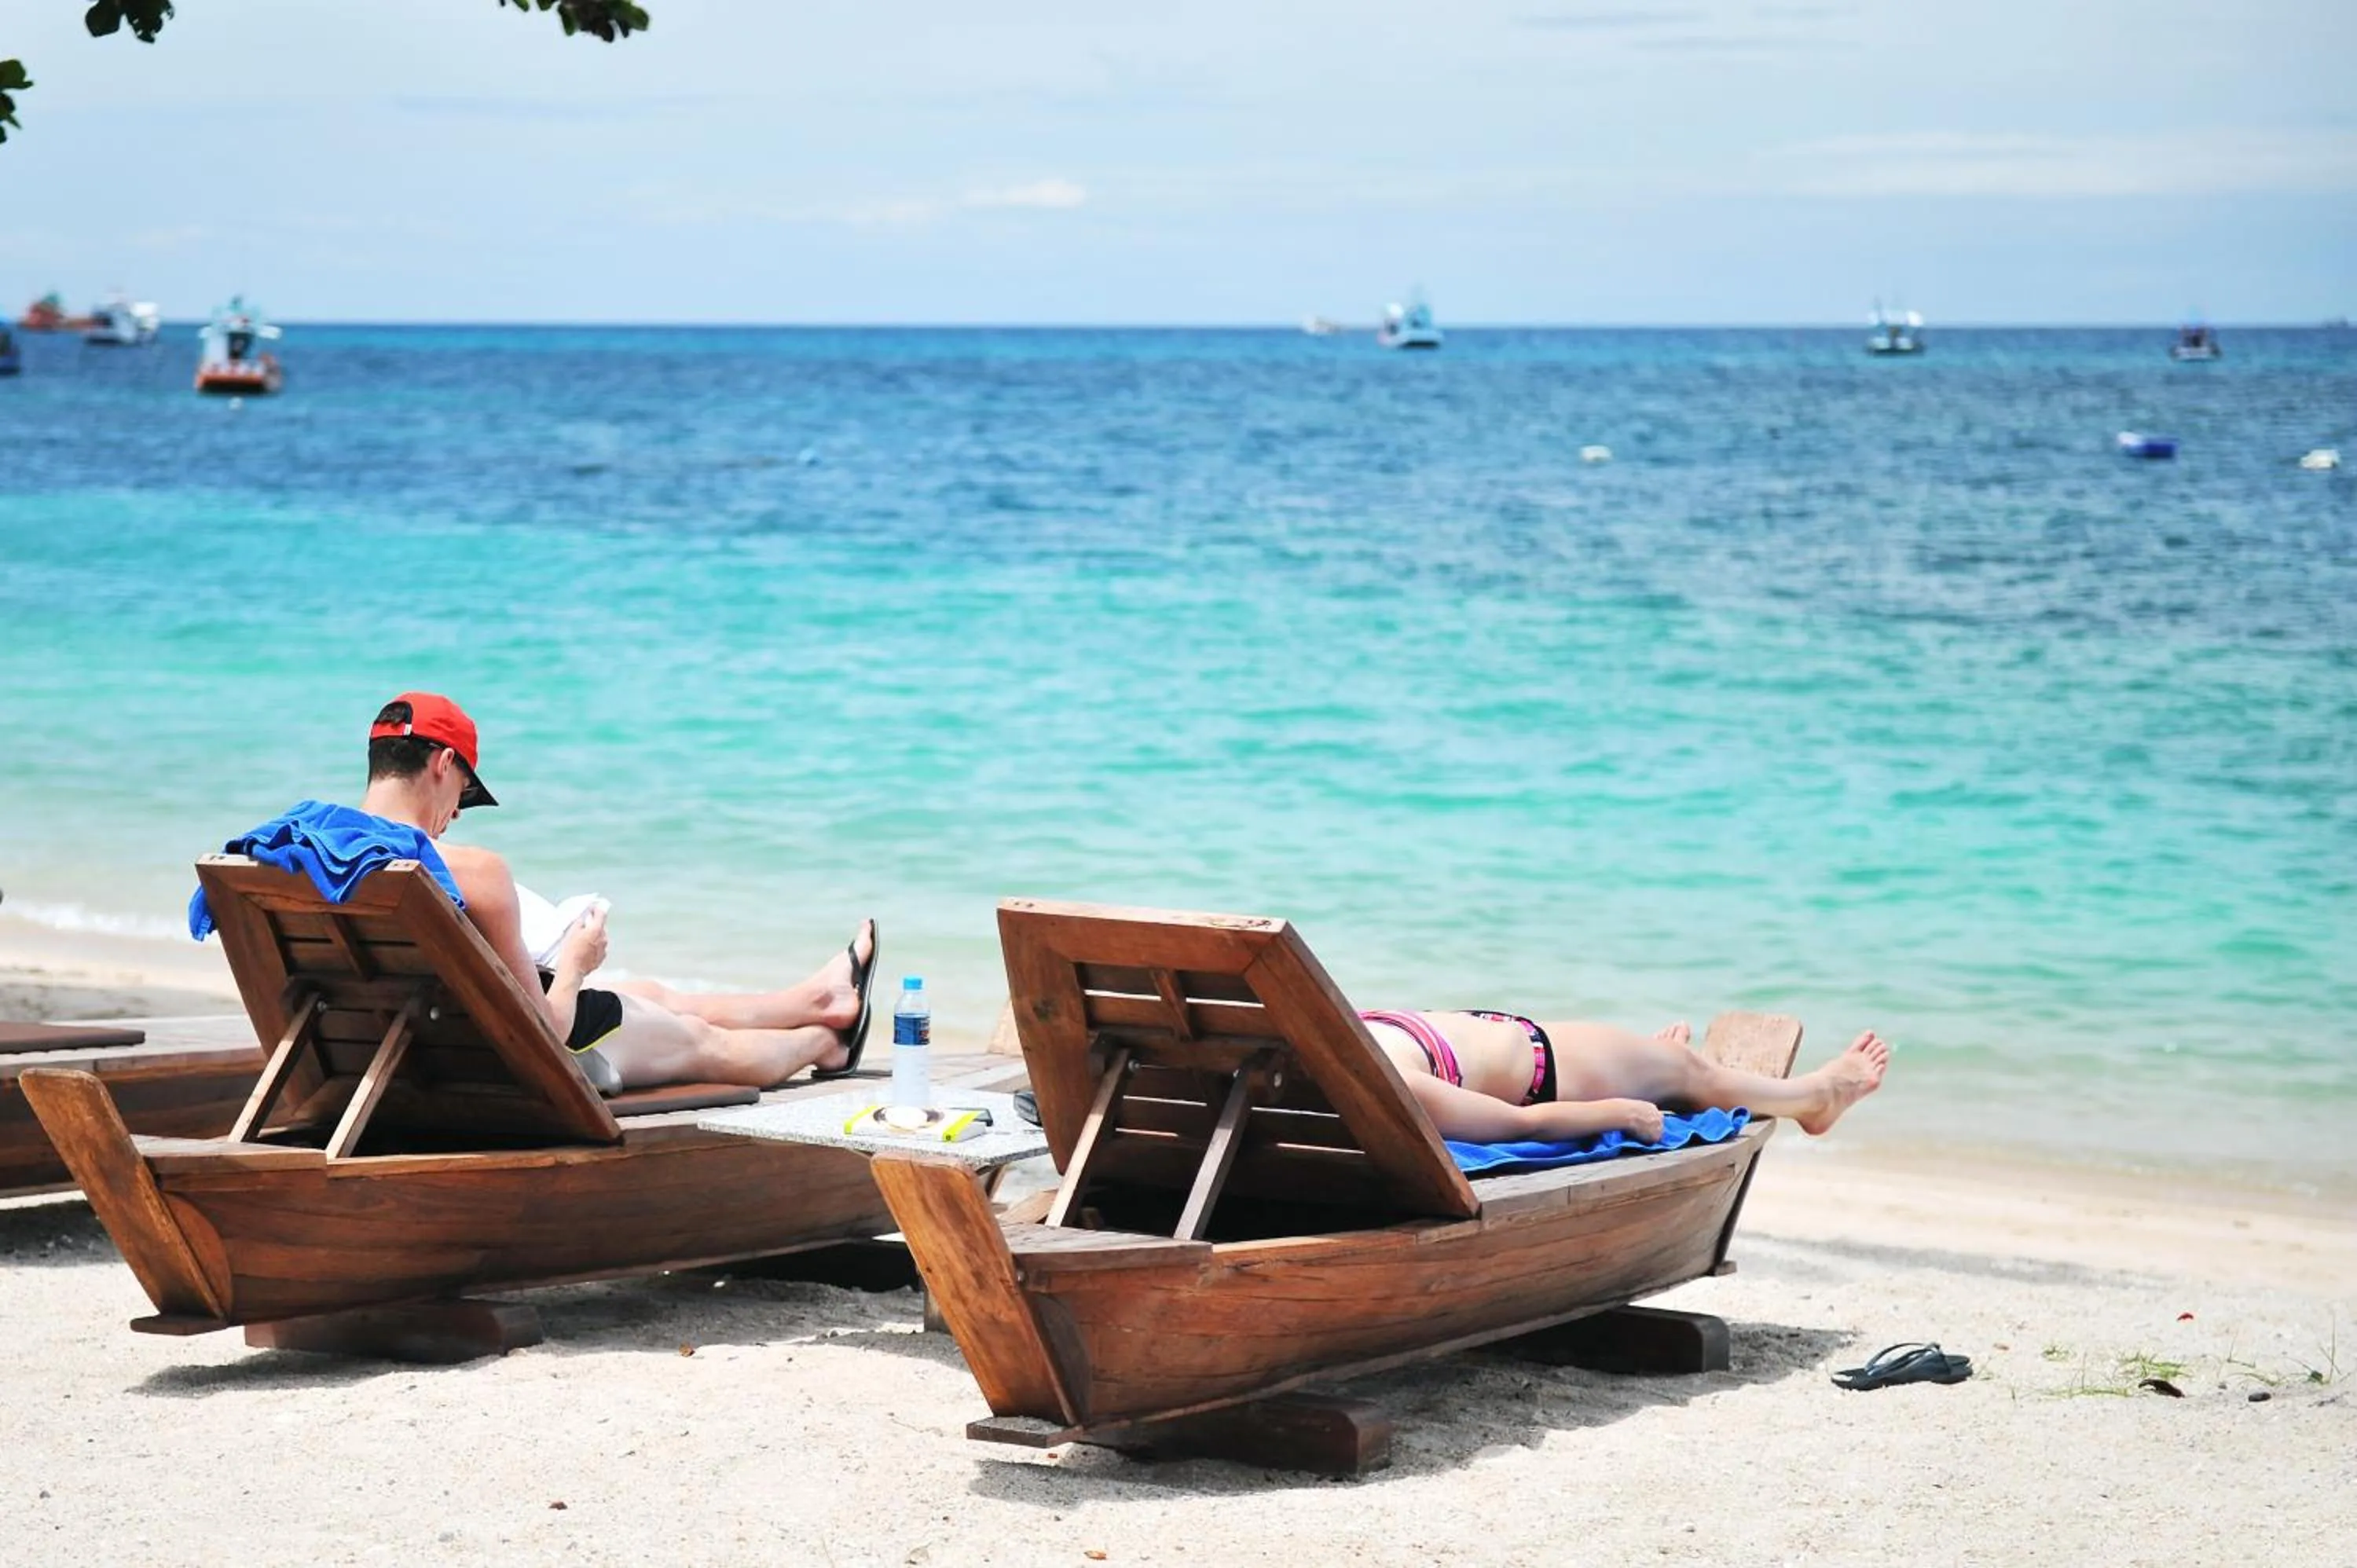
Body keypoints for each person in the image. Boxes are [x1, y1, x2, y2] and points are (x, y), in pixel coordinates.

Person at [351, 691, 877, 1092]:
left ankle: (817, 1001)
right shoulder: (474, 870)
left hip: (409, 1048)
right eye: (465, 790)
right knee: (700, 1040)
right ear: (443, 764)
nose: (459, 811)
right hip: (516, 1066)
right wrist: (579, 961)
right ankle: (823, 1043)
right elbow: (546, 1031)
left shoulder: (306, 856)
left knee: (652, 995)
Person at [1357, 1006, 1888, 1145]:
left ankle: (1645, 1071)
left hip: (1495, 1050)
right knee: (1688, 1070)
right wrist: (1620, 1112)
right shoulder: (1391, 1085)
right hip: (1548, 1068)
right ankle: (1817, 1098)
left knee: (1659, 1067)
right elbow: (1519, 1126)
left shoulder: (1296, 1054)